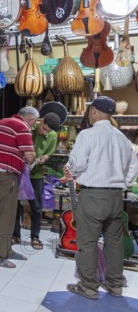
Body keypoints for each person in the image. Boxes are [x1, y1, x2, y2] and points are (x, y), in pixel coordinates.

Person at [65, 96, 138, 299]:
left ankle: (88, 286)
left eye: (90, 110)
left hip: (93, 195)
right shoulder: (122, 138)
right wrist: (124, 181)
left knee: (87, 242)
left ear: (94, 111)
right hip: (116, 197)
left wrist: (71, 171)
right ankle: (115, 285)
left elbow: (77, 163)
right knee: (114, 242)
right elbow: (134, 164)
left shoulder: (87, 135)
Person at [0, 106, 38, 268]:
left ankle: (6, 250)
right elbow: (29, 156)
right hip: (5, 176)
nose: (32, 127)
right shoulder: (22, 128)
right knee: (5, 217)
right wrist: (33, 159)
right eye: (33, 124)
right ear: (30, 119)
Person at [12, 112, 61, 250]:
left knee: (37, 207)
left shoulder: (52, 135)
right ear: (42, 120)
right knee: (16, 204)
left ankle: (35, 237)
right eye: (44, 128)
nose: (45, 131)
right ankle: (16, 234)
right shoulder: (28, 127)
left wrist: (44, 158)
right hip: (19, 172)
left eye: (48, 131)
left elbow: (48, 153)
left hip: (36, 174)